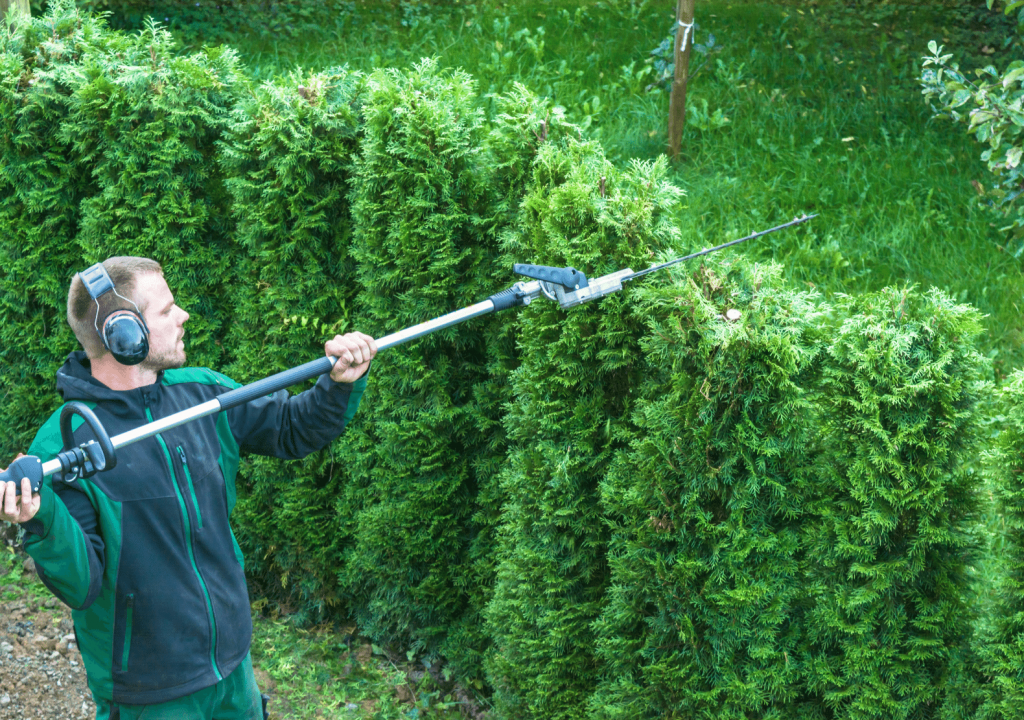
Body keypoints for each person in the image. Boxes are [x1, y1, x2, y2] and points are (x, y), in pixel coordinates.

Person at [0, 256, 377, 720]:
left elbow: (291, 429)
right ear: (125, 334)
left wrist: (339, 384)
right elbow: (81, 584)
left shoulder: (202, 394)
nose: (183, 317)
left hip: (232, 668)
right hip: (150, 691)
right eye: (167, 310)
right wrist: (43, 516)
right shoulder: (65, 445)